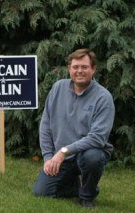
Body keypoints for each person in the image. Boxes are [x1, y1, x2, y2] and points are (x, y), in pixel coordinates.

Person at [33, 49, 115, 208]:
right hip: (61, 157)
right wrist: (48, 157)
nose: (79, 71)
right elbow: (45, 124)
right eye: (75, 67)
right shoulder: (58, 88)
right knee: (41, 192)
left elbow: (97, 138)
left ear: (93, 69)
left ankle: (87, 195)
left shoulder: (103, 97)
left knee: (93, 157)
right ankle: (74, 186)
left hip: (86, 153)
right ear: (69, 69)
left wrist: (63, 152)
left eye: (84, 67)